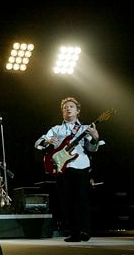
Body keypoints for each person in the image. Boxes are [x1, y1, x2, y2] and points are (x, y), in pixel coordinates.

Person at [34, 97, 101, 242]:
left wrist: (95, 138)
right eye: (65, 107)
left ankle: (85, 230)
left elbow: (91, 148)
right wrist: (47, 141)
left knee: (81, 199)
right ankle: (74, 232)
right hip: (61, 167)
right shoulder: (56, 129)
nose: (68, 109)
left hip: (80, 165)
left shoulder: (85, 128)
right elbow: (38, 143)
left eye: (71, 107)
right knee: (67, 201)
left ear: (78, 111)